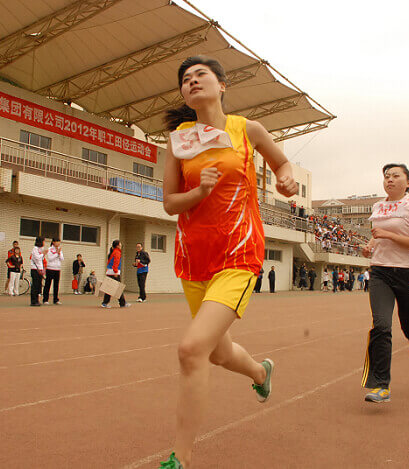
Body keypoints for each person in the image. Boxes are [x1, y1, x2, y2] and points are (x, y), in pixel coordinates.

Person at [159, 55, 297, 468]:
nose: (192, 81)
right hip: (194, 259)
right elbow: (170, 203)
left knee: (191, 350)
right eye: (185, 78)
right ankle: (260, 372)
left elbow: (281, 163)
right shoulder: (179, 140)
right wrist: (198, 193)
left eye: (200, 75)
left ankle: (180, 458)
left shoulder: (246, 129)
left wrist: (286, 178)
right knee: (217, 354)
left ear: (222, 85)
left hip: (238, 253)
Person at [360, 163, 409, 404]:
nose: (389, 179)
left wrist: (388, 235)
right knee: (381, 326)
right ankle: (381, 385)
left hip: (408, 273)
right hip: (380, 272)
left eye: (395, 176)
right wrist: (370, 246)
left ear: (408, 182)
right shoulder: (378, 207)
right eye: (386, 176)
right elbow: (376, 235)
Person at [102, 240, 128, 308]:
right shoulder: (117, 252)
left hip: (110, 271)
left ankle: (106, 302)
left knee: (110, 288)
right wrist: (115, 271)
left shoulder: (113, 251)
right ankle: (122, 303)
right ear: (117, 245)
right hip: (114, 272)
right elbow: (116, 262)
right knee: (117, 288)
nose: (121, 245)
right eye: (120, 244)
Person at [43, 238, 63, 305]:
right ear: (53, 242)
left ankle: (56, 299)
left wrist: (59, 253)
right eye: (57, 242)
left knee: (56, 285)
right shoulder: (50, 249)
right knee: (48, 284)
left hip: (57, 269)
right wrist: (57, 254)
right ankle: (45, 299)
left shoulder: (59, 250)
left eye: (59, 242)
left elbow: (62, 259)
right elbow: (50, 258)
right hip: (50, 268)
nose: (58, 243)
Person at [29, 237, 46, 307]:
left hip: (40, 269)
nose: (44, 243)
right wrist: (43, 254)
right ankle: (33, 301)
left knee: (39, 285)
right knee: (35, 285)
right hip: (35, 269)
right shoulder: (35, 249)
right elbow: (37, 258)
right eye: (43, 241)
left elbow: (42, 259)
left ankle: (37, 300)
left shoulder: (41, 249)